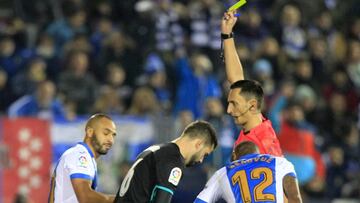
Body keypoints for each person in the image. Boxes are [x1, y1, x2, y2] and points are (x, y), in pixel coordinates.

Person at [221, 11, 282, 156]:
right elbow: (236, 79)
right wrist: (227, 34)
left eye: (234, 104)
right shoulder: (256, 128)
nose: (228, 110)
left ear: (253, 105)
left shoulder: (262, 147)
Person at [114, 120, 218, 203]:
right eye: (204, 154)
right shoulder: (173, 161)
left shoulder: (156, 149)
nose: (201, 160)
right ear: (198, 144)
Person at [194, 141, 302, 203]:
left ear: (234, 156)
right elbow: (295, 197)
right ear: (258, 153)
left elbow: (200, 201)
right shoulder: (280, 162)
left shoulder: (223, 172)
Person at [48, 114, 116, 203]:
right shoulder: (79, 155)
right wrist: (120, 200)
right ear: (90, 132)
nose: (111, 140)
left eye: (113, 135)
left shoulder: (86, 157)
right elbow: (85, 197)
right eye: (106, 133)